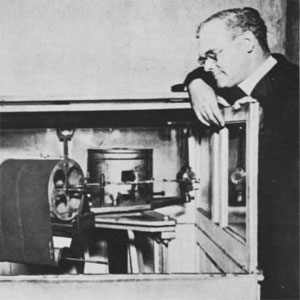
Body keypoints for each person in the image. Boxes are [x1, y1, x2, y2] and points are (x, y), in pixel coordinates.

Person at [182, 7, 299, 300]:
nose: (208, 66)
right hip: (250, 248)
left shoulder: (295, 89)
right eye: (202, 60)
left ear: (247, 44)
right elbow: (200, 75)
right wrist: (194, 82)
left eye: (213, 55)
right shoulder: (236, 87)